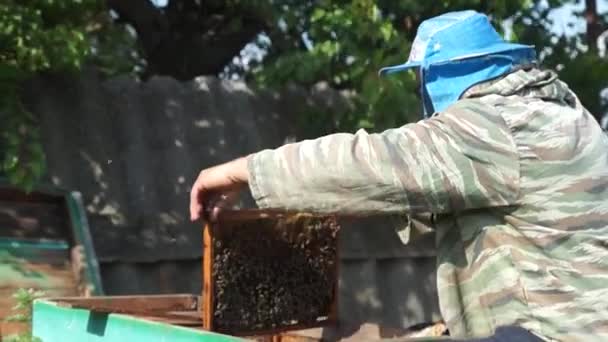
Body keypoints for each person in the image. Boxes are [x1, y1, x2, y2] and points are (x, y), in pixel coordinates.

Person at [189, 10, 608, 342]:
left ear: (442, 75)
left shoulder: (495, 125)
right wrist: (316, 205)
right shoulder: (561, 114)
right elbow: (423, 195)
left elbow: (372, 162)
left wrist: (241, 172)